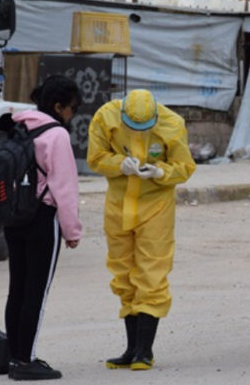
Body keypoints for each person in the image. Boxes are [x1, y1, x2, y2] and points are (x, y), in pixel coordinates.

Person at [87, 89, 196, 371]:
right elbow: (96, 157)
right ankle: (131, 349)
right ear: (122, 114)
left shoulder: (172, 123)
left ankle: (144, 351)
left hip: (156, 207)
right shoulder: (105, 117)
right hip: (119, 205)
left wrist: (161, 172)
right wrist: (118, 164)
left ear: (156, 115)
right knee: (123, 272)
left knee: (152, 273)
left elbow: (184, 166)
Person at [5, 75, 83, 381]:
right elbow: (64, 188)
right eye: (72, 108)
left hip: (14, 217)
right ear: (58, 106)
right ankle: (26, 361)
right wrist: (72, 231)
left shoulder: (19, 125)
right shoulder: (57, 135)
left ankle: (15, 356)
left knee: (18, 289)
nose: (72, 115)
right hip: (41, 219)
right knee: (36, 292)